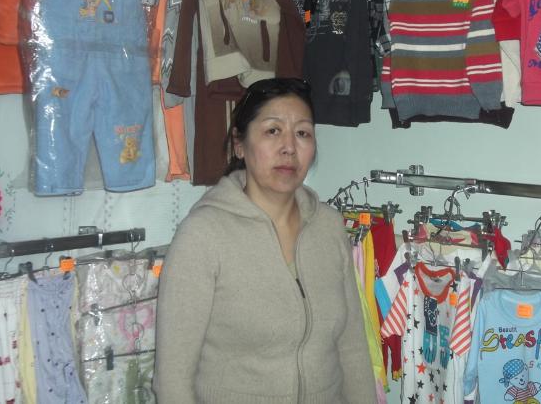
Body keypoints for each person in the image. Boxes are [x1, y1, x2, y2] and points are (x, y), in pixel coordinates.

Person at [153, 78, 376, 403]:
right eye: (273, 130)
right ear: (239, 145)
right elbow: (172, 380)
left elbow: (352, 348)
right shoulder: (203, 235)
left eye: (303, 133)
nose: (289, 147)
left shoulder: (329, 226)